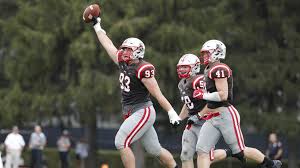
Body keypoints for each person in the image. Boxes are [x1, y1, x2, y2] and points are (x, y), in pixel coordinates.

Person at [84, 7, 181, 168]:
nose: (125, 52)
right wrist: (97, 26)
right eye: (124, 49)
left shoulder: (143, 69)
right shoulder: (123, 62)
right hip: (131, 112)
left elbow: (157, 94)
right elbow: (108, 44)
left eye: (129, 49)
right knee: (155, 149)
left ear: (138, 52)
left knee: (120, 141)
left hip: (143, 111)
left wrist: (171, 112)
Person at [193, 39, 282, 168]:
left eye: (207, 53)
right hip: (212, 117)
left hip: (225, 114)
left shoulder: (219, 68)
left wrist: (203, 94)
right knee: (202, 151)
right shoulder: (208, 69)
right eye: (204, 53)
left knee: (240, 150)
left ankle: (270, 164)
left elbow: (223, 95)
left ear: (217, 53)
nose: (204, 56)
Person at [177, 54, 233, 168]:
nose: (182, 69)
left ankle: (229, 152)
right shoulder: (181, 84)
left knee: (207, 156)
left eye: (185, 67)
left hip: (205, 121)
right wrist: (179, 118)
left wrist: (199, 115)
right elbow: (188, 104)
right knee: (185, 155)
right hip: (192, 123)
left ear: (195, 67)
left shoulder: (199, 81)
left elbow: (210, 102)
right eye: (181, 67)